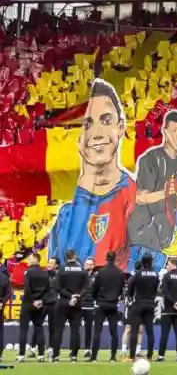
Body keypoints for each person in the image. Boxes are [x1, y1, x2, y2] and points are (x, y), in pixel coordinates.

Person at [47, 80, 136, 267]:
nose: (96, 133)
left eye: (106, 121)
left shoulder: (134, 201)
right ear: (80, 141)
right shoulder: (65, 217)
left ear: (121, 128)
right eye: (88, 124)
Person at [128, 111, 177, 269]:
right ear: (165, 131)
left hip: (164, 238)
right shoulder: (150, 159)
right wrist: (166, 192)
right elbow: (141, 198)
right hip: (142, 236)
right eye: (174, 131)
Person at [52, 248, 88, 360]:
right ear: (75, 256)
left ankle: (56, 355)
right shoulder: (82, 270)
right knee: (75, 331)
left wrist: (69, 296)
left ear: (66, 257)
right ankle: (74, 356)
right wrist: (77, 296)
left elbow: (58, 288)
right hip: (77, 304)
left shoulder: (61, 270)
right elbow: (86, 288)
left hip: (63, 302)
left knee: (58, 330)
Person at [90, 251, 125, 362]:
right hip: (113, 304)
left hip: (101, 303)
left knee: (97, 331)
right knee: (114, 332)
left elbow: (94, 288)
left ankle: (94, 357)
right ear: (115, 259)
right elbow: (121, 289)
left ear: (106, 258)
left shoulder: (101, 272)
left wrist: (96, 298)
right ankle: (113, 357)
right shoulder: (120, 273)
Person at [126, 253, 160, 361]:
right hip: (150, 304)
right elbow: (155, 289)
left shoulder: (137, 274)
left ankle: (132, 357)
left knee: (134, 330)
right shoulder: (155, 274)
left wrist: (131, 298)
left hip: (138, 304)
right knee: (150, 331)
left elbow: (129, 290)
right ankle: (149, 356)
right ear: (151, 262)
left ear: (142, 262)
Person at [17, 252, 49, 360]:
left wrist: (33, 301)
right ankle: (41, 355)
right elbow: (48, 290)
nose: (28, 260)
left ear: (36, 259)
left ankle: (21, 355)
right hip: (40, 305)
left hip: (28, 303)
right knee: (39, 328)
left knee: (23, 329)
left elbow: (27, 289)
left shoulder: (28, 272)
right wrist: (41, 301)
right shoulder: (45, 273)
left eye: (30, 259)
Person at [44, 257, 59, 360]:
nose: (49, 264)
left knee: (52, 327)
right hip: (43, 303)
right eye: (48, 262)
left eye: (51, 263)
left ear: (56, 265)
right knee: (38, 325)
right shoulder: (44, 275)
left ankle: (51, 348)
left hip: (54, 303)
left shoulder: (59, 276)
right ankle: (34, 348)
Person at [0, 259, 10, 355]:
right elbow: (8, 292)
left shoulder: (4, 275)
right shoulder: (4, 276)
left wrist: (2, 302)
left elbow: (8, 292)